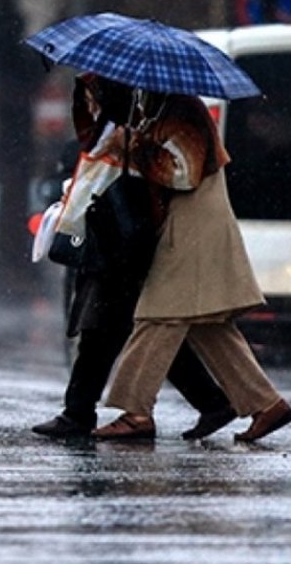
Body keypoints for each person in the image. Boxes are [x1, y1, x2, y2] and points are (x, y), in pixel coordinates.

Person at [32, 74, 237, 440]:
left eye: (96, 88)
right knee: (130, 330)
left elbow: (177, 173)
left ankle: (81, 412)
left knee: (107, 330)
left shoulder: (154, 116)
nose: (91, 97)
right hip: (104, 232)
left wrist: (135, 147)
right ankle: (210, 402)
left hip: (122, 236)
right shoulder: (117, 118)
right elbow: (89, 150)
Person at [91, 86, 291, 443]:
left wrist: (134, 147)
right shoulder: (162, 109)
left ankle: (135, 411)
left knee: (158, 314)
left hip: (193, 225)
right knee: (207, 322)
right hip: (188, 222)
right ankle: (266, 404)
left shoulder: (183, 111)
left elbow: (183, 174)